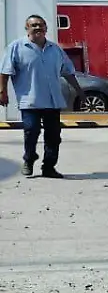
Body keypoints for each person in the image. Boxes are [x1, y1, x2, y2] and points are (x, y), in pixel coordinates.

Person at [1, 14, 82, 178]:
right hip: (30, 100)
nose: (38, 28)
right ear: (27, 28)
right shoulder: (16, 47)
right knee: (31, 130)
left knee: (53, 136)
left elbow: (68, 71)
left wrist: (79, 91)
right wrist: (2, 91)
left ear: (46, 28)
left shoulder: (55, 49)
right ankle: (29, 158)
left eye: (41, 25)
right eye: (34, 25)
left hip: (52, 100)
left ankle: (49, 167)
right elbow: (5, 71)